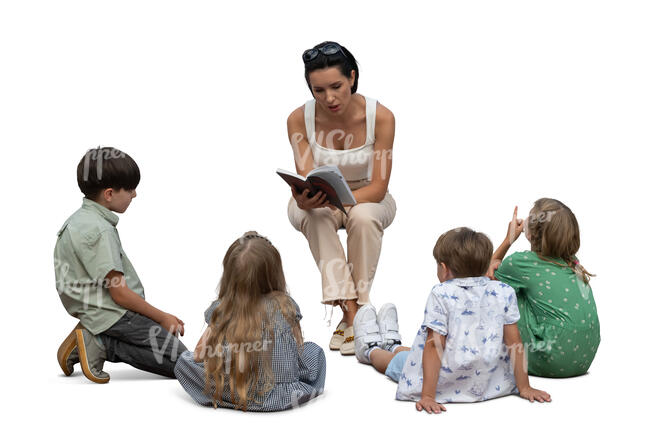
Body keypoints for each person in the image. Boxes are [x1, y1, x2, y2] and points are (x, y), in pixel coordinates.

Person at [353, 227, 551, 413]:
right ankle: (393, 344)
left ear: (444, 268)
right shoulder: (503, 290)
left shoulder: (442, 293)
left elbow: (434, 345)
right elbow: (514, 341)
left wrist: (428, 395)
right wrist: (524, 387)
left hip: (444, 381)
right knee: (415, 351)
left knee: (396, 362)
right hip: (488, 381)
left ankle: (370, 350)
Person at [286, 41, 397, 355]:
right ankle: (354, 313)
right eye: (318, 90)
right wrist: (305, 197)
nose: (329, 98)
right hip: (319, 202)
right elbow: (306, 177)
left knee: (362, 218)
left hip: (369, 198)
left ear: (352, 77)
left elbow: (378, 187)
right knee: (315, 216)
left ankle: (355, 312)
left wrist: (342, 200)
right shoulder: (298, 119)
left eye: (336, 86)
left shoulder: (382, 117)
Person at [54, 147, 187, 383]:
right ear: (108, 194)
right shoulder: (101, 230)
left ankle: (92, 337)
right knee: (185, 362)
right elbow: (120, 294)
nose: (134, 195)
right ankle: (99, 343)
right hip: (114, 313)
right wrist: (161, 317)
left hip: (94, 310)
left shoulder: (78, 221)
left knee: (173, 355)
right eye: (130, 189)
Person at [174, 231, 326, 411]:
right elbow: (296, 349)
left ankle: (230, 397)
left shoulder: (222, 309)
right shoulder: (286, 306)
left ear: (229, 277)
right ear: (275, 273)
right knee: (313, 351)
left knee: (184, 361)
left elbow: (199, 355)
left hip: (235, 388)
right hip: (283, 395)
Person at [488, 199, 600, 377]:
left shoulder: (520, 263)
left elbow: (484, 280)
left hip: (552, 359)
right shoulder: (573, 262)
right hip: (584, 358)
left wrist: (508, 240)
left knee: (502, 291)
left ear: (530, 234)